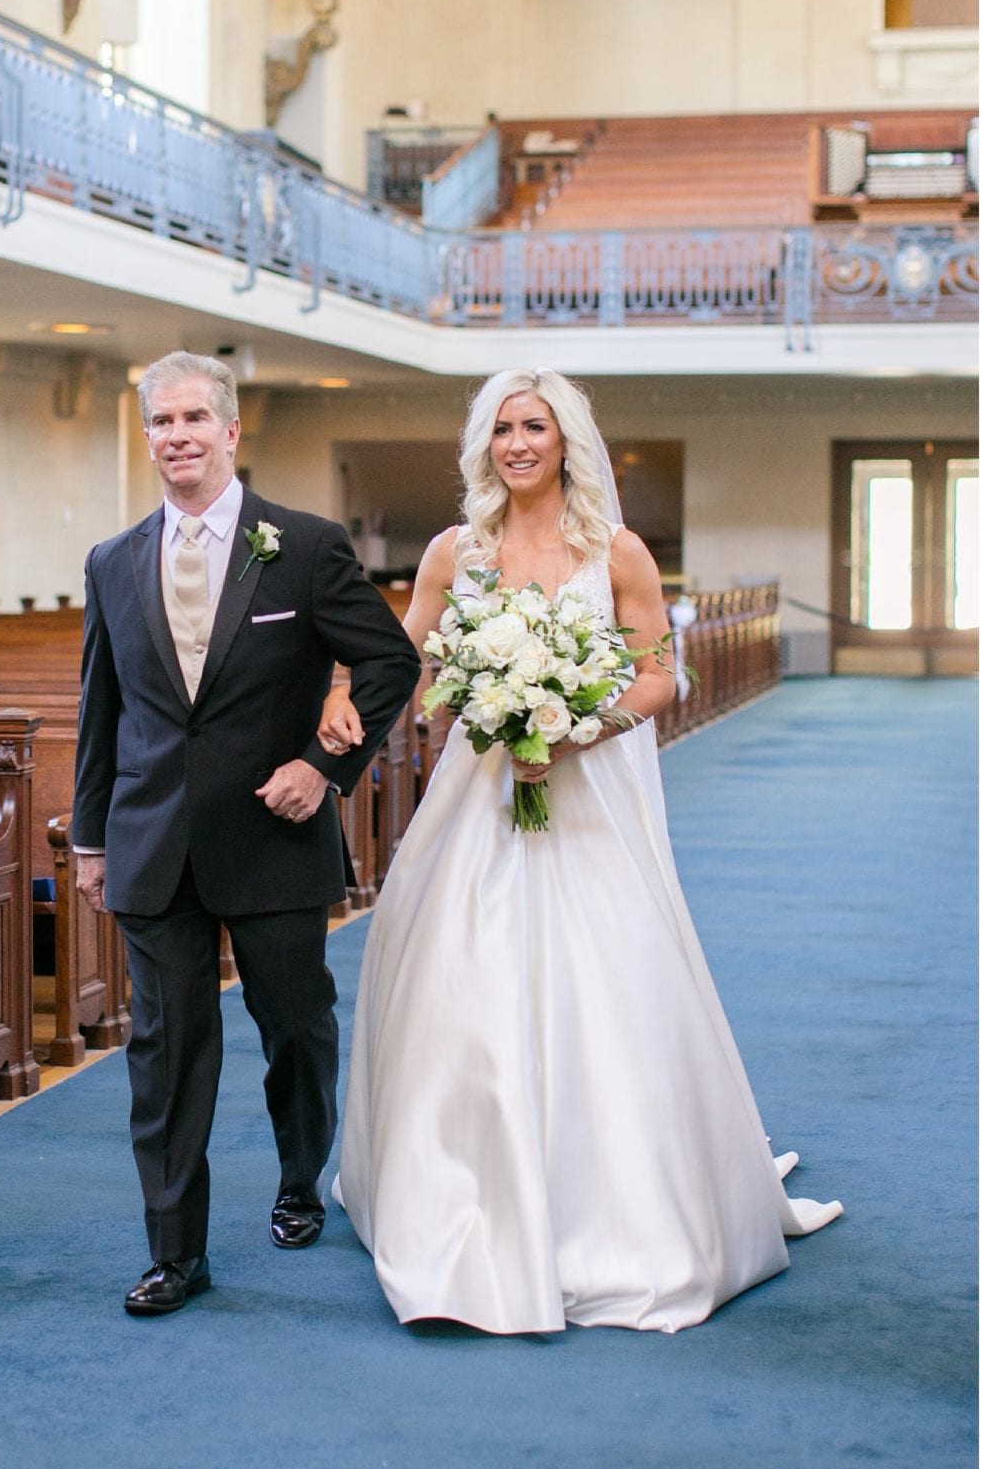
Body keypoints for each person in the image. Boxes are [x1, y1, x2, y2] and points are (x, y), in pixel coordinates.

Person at [320, 368, 842, 1335]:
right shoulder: (453, 550)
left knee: (610, 981)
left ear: (566, 441)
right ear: (484, 444)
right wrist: (339, 694)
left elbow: (659, 676)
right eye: (502, 429)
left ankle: (615, 1203)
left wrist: (575, 730)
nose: (519, 443)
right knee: (458, 982)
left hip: (586, 794)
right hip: (477, 802)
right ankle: (460, 1194)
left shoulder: (616, 551)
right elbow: (403, 654)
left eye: (536, 427)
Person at [73, 350, 421, 1317]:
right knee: (167, 1054)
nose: (176, 436)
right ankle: (175, 1256)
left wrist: (326, 766)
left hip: (275, 837)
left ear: (231, 431)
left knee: (296, 1033)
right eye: (159, 422)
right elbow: (101, 712)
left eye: (194, 419)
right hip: (153, 845)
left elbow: (389, 663)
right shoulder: (111, 561)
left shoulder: (300, 545)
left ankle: (301, 1182)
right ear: (146, 437)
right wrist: (91, 840)